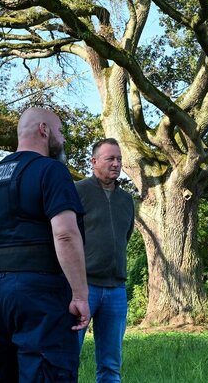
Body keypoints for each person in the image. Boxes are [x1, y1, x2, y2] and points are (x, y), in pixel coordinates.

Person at [0, 107, 90, 382]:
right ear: (43, 130)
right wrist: (80, 296)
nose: (63, 139)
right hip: (43, 293)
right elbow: (65, 234)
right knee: (48, 372)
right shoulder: (52, 171)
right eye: (60, 131)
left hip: (1, 291)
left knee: (1, 372)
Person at [75, 138, 135, 383]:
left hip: (116, 290)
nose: (116, 164)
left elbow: (125, 237)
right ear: (94, 161)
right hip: (82, 288)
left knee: (111, 365)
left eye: (119, 159)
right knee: (67, 357)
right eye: (110, 158)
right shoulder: (77, 191)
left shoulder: (126, 200)